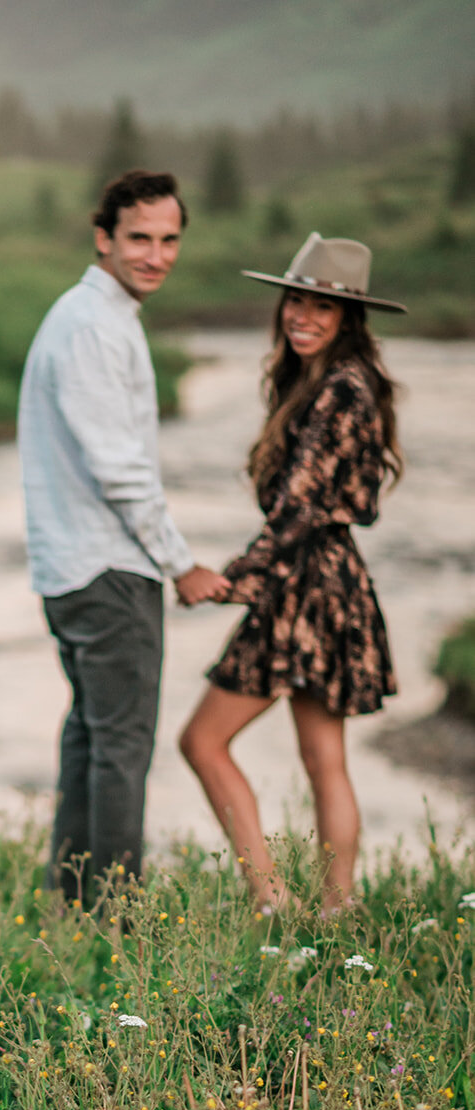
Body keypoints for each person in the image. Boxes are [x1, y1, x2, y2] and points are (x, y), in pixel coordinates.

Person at [179, 232, 406, 914]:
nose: (302, 316)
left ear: (348, 319)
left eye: (322, 308)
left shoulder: (343, 388)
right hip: (326, 581)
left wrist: (234, 579)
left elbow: (303, 505)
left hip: (307, 583)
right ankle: (332, 910)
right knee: (321, 759)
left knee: (204, 740)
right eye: (295, 301)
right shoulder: (328, 381)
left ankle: (274, 898)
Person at [18, 169, 227, 904]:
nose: (156, 255)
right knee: (121, 750)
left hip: (73, 567)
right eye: (139, 238)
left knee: (92, 738)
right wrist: (184, 565)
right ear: (103, 238)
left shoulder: (95, 318)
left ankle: (70, 899)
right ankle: (116, 920)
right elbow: (121, 470)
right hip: (106, 570)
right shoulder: (92, 328)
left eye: (170, 239)